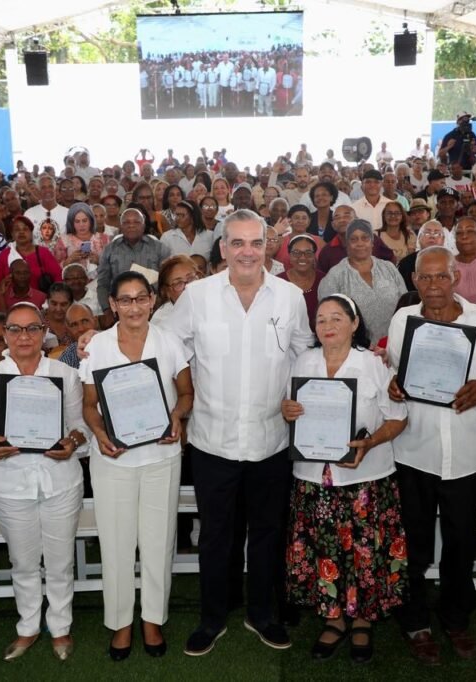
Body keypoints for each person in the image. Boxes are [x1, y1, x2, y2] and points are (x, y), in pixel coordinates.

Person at [155, 209, 315, 655]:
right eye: (238, 243)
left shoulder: (289, 297)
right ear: (223, 248)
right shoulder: (197, 296)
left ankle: (262, 614)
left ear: (268, 247)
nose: (248, 252)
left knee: (267, 534)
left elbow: (304, 355)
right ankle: (212, 618)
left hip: (270, 440)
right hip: (212, 441)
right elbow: (166, 349)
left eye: (256, 243)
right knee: (215, 537)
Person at [386, 245, 476, 664]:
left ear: (456, 277)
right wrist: (393, 384)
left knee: (461, 543)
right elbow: (394, 371)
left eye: (442, 276)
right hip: (413, 452)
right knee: (413, 545)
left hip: (466, 454)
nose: (434, 285)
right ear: (414, 280)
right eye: (425, 277)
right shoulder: (403, 320)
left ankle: (456, 619)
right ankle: (415, 622)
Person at [282, 294, 408, 662]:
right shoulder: (303, 361)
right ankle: (334, 618)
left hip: (366, 478)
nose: (328, 325)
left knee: (364, 550)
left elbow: (398, 417)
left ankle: (364, 619)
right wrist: (286, 409)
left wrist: (371, 443)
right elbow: (289, 407)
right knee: (325, 548)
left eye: (337, 317)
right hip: (314, 477)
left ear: (354, 324)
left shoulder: (372, 364)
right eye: (321, 319)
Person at [79, 272, 193, 661]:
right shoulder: (96, 345)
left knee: (158, 542)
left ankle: (152, 620)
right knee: (116, 543)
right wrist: (99, 433)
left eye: (140, 298)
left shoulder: (169, 341)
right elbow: (89, 404)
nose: (133, 307)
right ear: (112, 305)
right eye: (125, 300)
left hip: (161, 457)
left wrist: (177, 416)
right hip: (114, 459)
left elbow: (186, 392)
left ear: (152, 300)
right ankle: (121, 623)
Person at [0, 302, 90, 662]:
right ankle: (28, 626)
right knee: (22, 561)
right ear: (5, 334)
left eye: (32, 328)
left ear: (44, 333)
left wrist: (72, 442)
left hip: (60, 480)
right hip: (10, 482)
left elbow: (80, 427)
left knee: (60, 561)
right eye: (16, 329)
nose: (24, 336)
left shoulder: (65, 375)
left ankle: (61, 626)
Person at [317, 220, 407, 344]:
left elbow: (405, 306)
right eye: (353, 239)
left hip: (395, 343)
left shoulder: (389, 268)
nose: (360, 243)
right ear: (347, 244)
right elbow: (328, 316)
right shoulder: (335, 276)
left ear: (372, 242)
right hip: (356, 348)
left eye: (365, 238)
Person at [95, 208, 171, 324]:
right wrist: (107, 310)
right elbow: (102, 284)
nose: (131, 225)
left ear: (144, 225)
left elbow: (167, 282)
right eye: (126, 222)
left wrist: (158, 308)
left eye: (136, 222)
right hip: (120, 311)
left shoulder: (159, 248)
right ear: (121, 226)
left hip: (155, 311)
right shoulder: (110, 249)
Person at [0, 216, 63, 295]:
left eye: (25, 229)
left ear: (31, 233)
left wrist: (53, 297)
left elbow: (58, 277)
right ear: (12, 234)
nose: (21, 232)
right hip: (11, 301)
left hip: (40, 300)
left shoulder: (43, 252)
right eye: (17, 229)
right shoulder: (5, 255)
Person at [53, 203, 110, 271]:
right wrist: (69, 260)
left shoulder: (104, 239)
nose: (81, 225)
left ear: (91, 221)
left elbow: (111, 265)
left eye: (84, 221)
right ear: (72, 223)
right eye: (77, 221)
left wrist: (98, 261)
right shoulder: (63, 240)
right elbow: (55, 268)